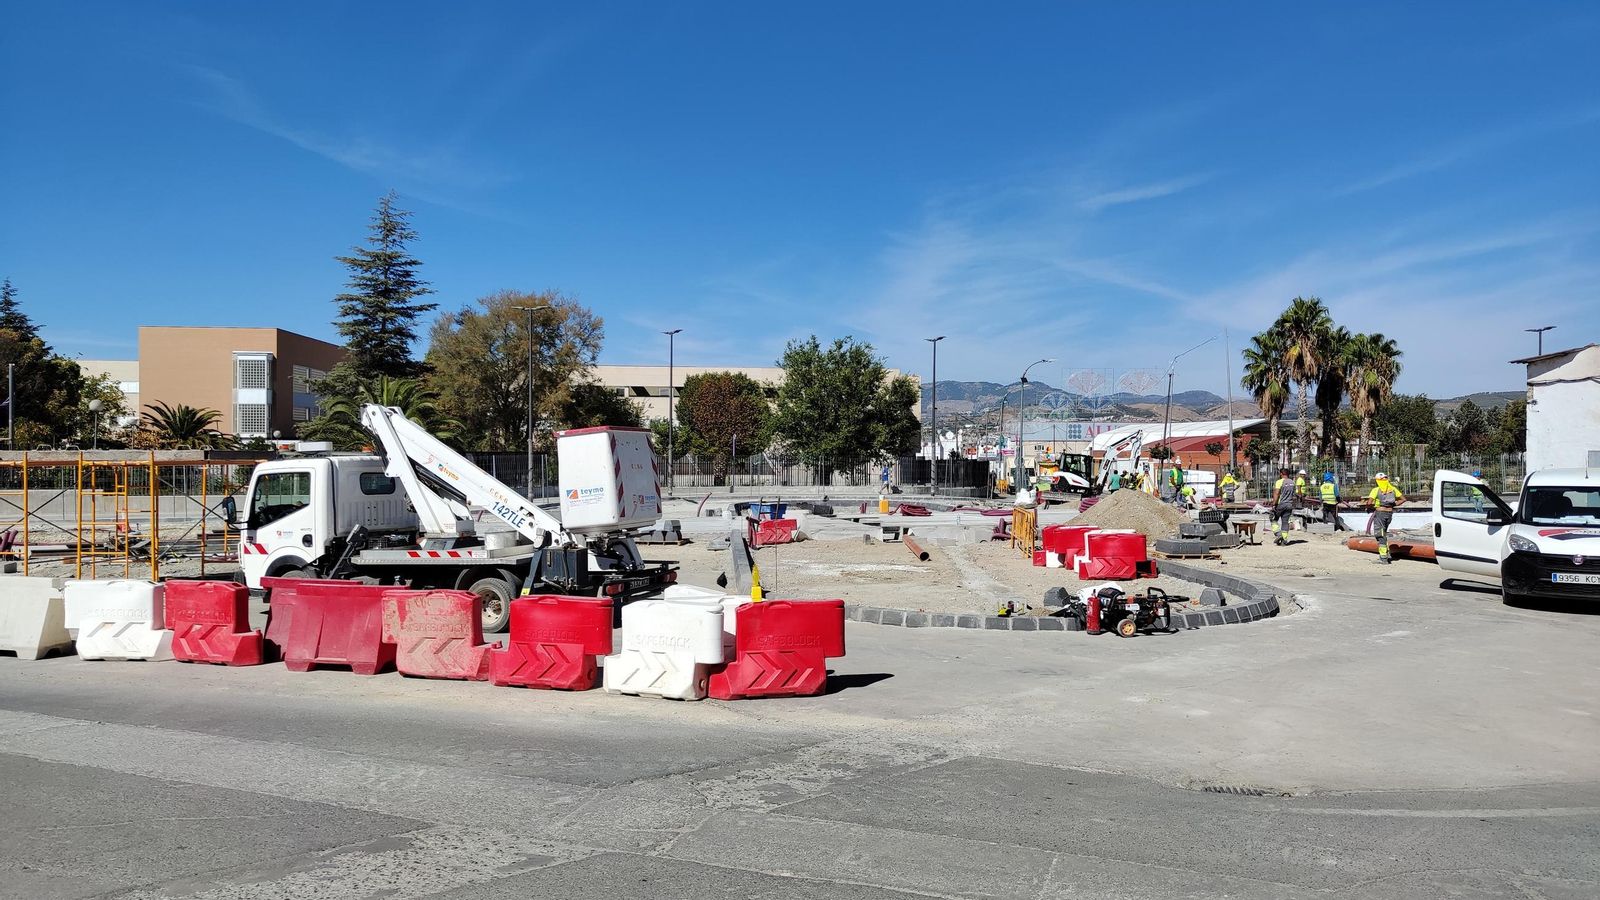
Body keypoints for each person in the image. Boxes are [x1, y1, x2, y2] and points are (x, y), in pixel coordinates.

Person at [1367, 472, 1405, 564]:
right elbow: (1403, 499)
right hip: (1389, 513)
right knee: (1383, 533)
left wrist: (1369, 507)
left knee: (1380, 535)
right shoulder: (1393, 489)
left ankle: (1383, 558)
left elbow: (1369, 502)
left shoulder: (1376, 490)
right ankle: (1387, 554)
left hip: (1380, 514)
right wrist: (1392, 505)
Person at [1271, 467, 1296, 546]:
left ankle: (1278, 534)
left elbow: (1277, 493)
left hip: (1281, 504)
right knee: (1285, 522)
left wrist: (1274, 504)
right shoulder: (1292, 482)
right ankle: (1284, 540)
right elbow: (1294, 495)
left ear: (1281, 474)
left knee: (1273, 519)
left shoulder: (1279, 482)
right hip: (1289, 505)